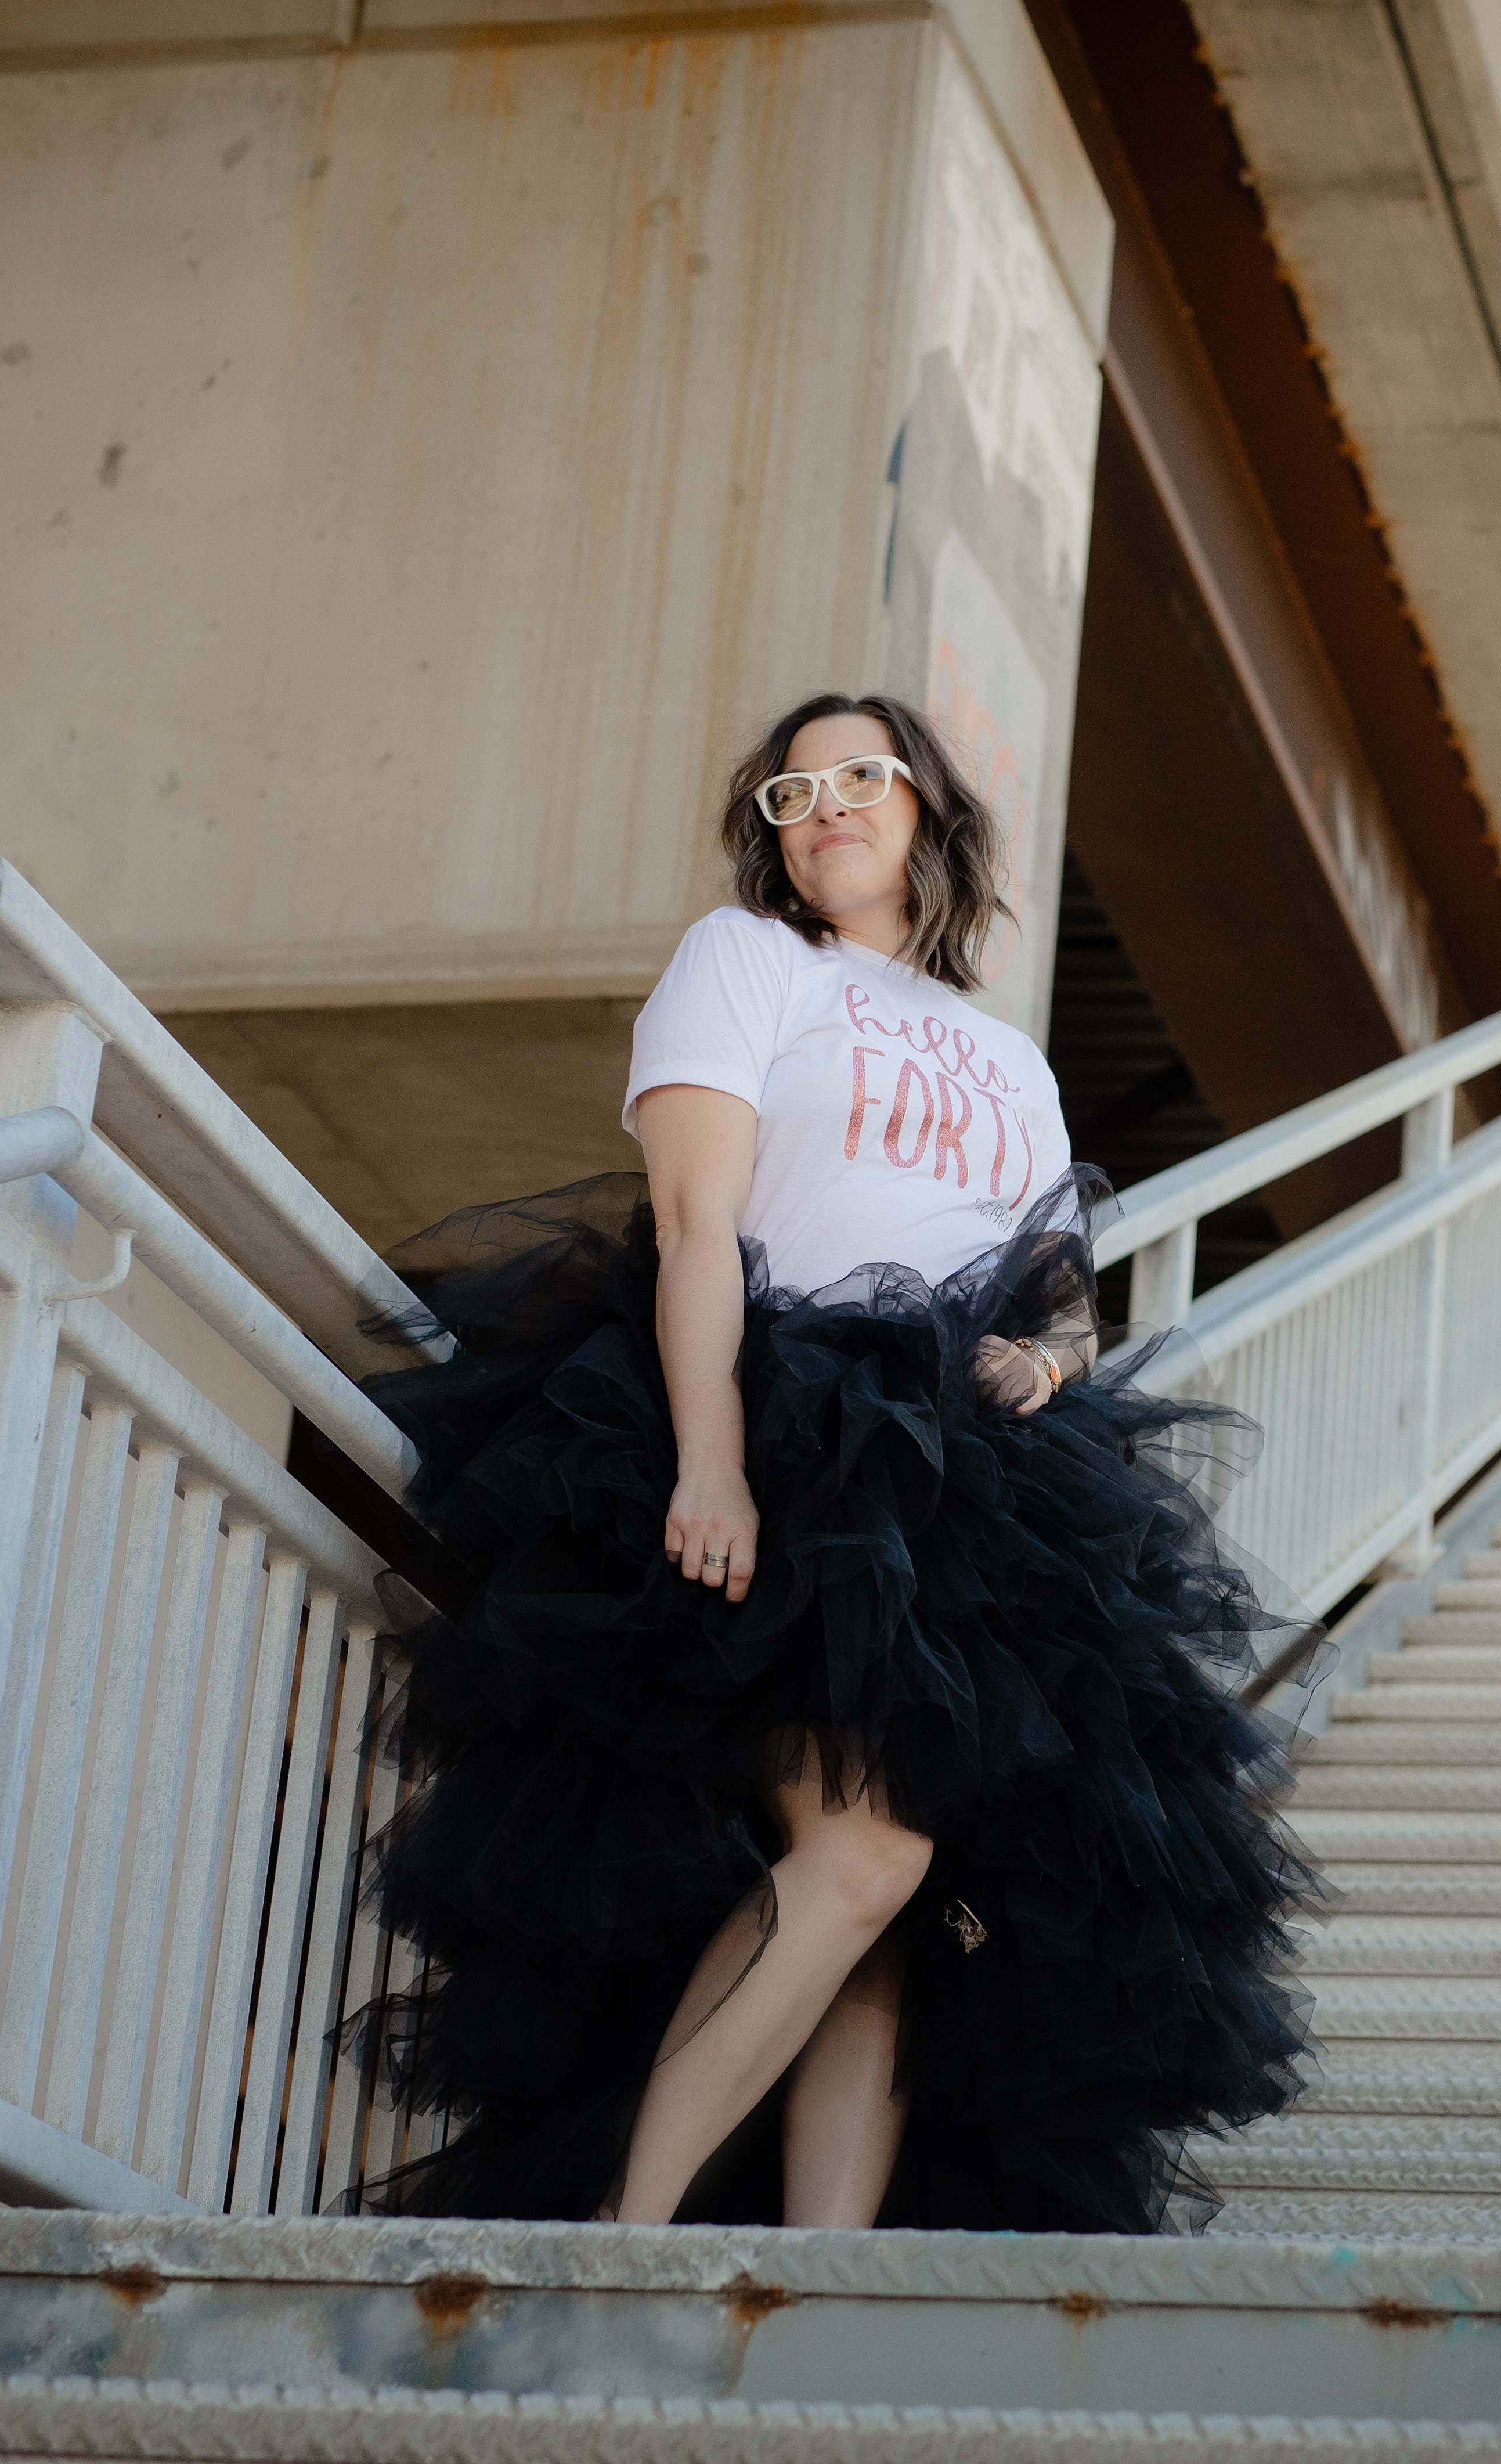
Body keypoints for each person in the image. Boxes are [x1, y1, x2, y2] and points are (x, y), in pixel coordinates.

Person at [351, 691, 1318, 2233]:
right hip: (797, 1439)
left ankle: (809, 2283)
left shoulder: (1007, 1059)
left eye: (862, 777)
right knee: (866, 1846)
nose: (828, 809)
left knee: (896, 1907)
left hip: (974, 1488)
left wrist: (1045, 1359)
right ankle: (625, 2234)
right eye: (793, 796)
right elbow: (691, 1230)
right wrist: (714, 1463)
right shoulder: (744, 963)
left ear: (926, 806)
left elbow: (1065, 1298)